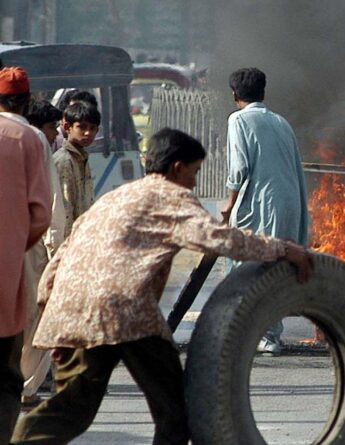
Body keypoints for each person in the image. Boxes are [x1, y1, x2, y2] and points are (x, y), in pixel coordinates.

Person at [12, 128, 313, 444]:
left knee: (70, 410)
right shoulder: (172, 197)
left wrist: (55, 322)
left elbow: (61, 258)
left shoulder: (113, 198)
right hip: (127, 313)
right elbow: (218, 238)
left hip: (72, 311)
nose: (194, 183)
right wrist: (282, 248)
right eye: (194, 172)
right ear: (178, 168)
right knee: (175, 409)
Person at [221, 67, 309, 355]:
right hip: (289, 203)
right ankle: (269, 334)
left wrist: (229, 204)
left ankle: (259, 335)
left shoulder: (238, 120)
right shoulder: (281, 122)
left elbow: (239, 168)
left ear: (234, 94)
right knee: (276, 267)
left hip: (261, 203)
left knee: (250, 265)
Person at [0, 66, 53, 444]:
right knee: (6, 372)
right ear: (27, 101)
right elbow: (41, 214)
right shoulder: (29, 138)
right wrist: (16, 247)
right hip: (8, 275)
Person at [54, 100, 100, 238]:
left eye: (92, 128)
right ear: (67, 127)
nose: (87, 133)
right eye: (82, 127)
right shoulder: (64, 160)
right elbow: (64, 209)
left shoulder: (81, 158)